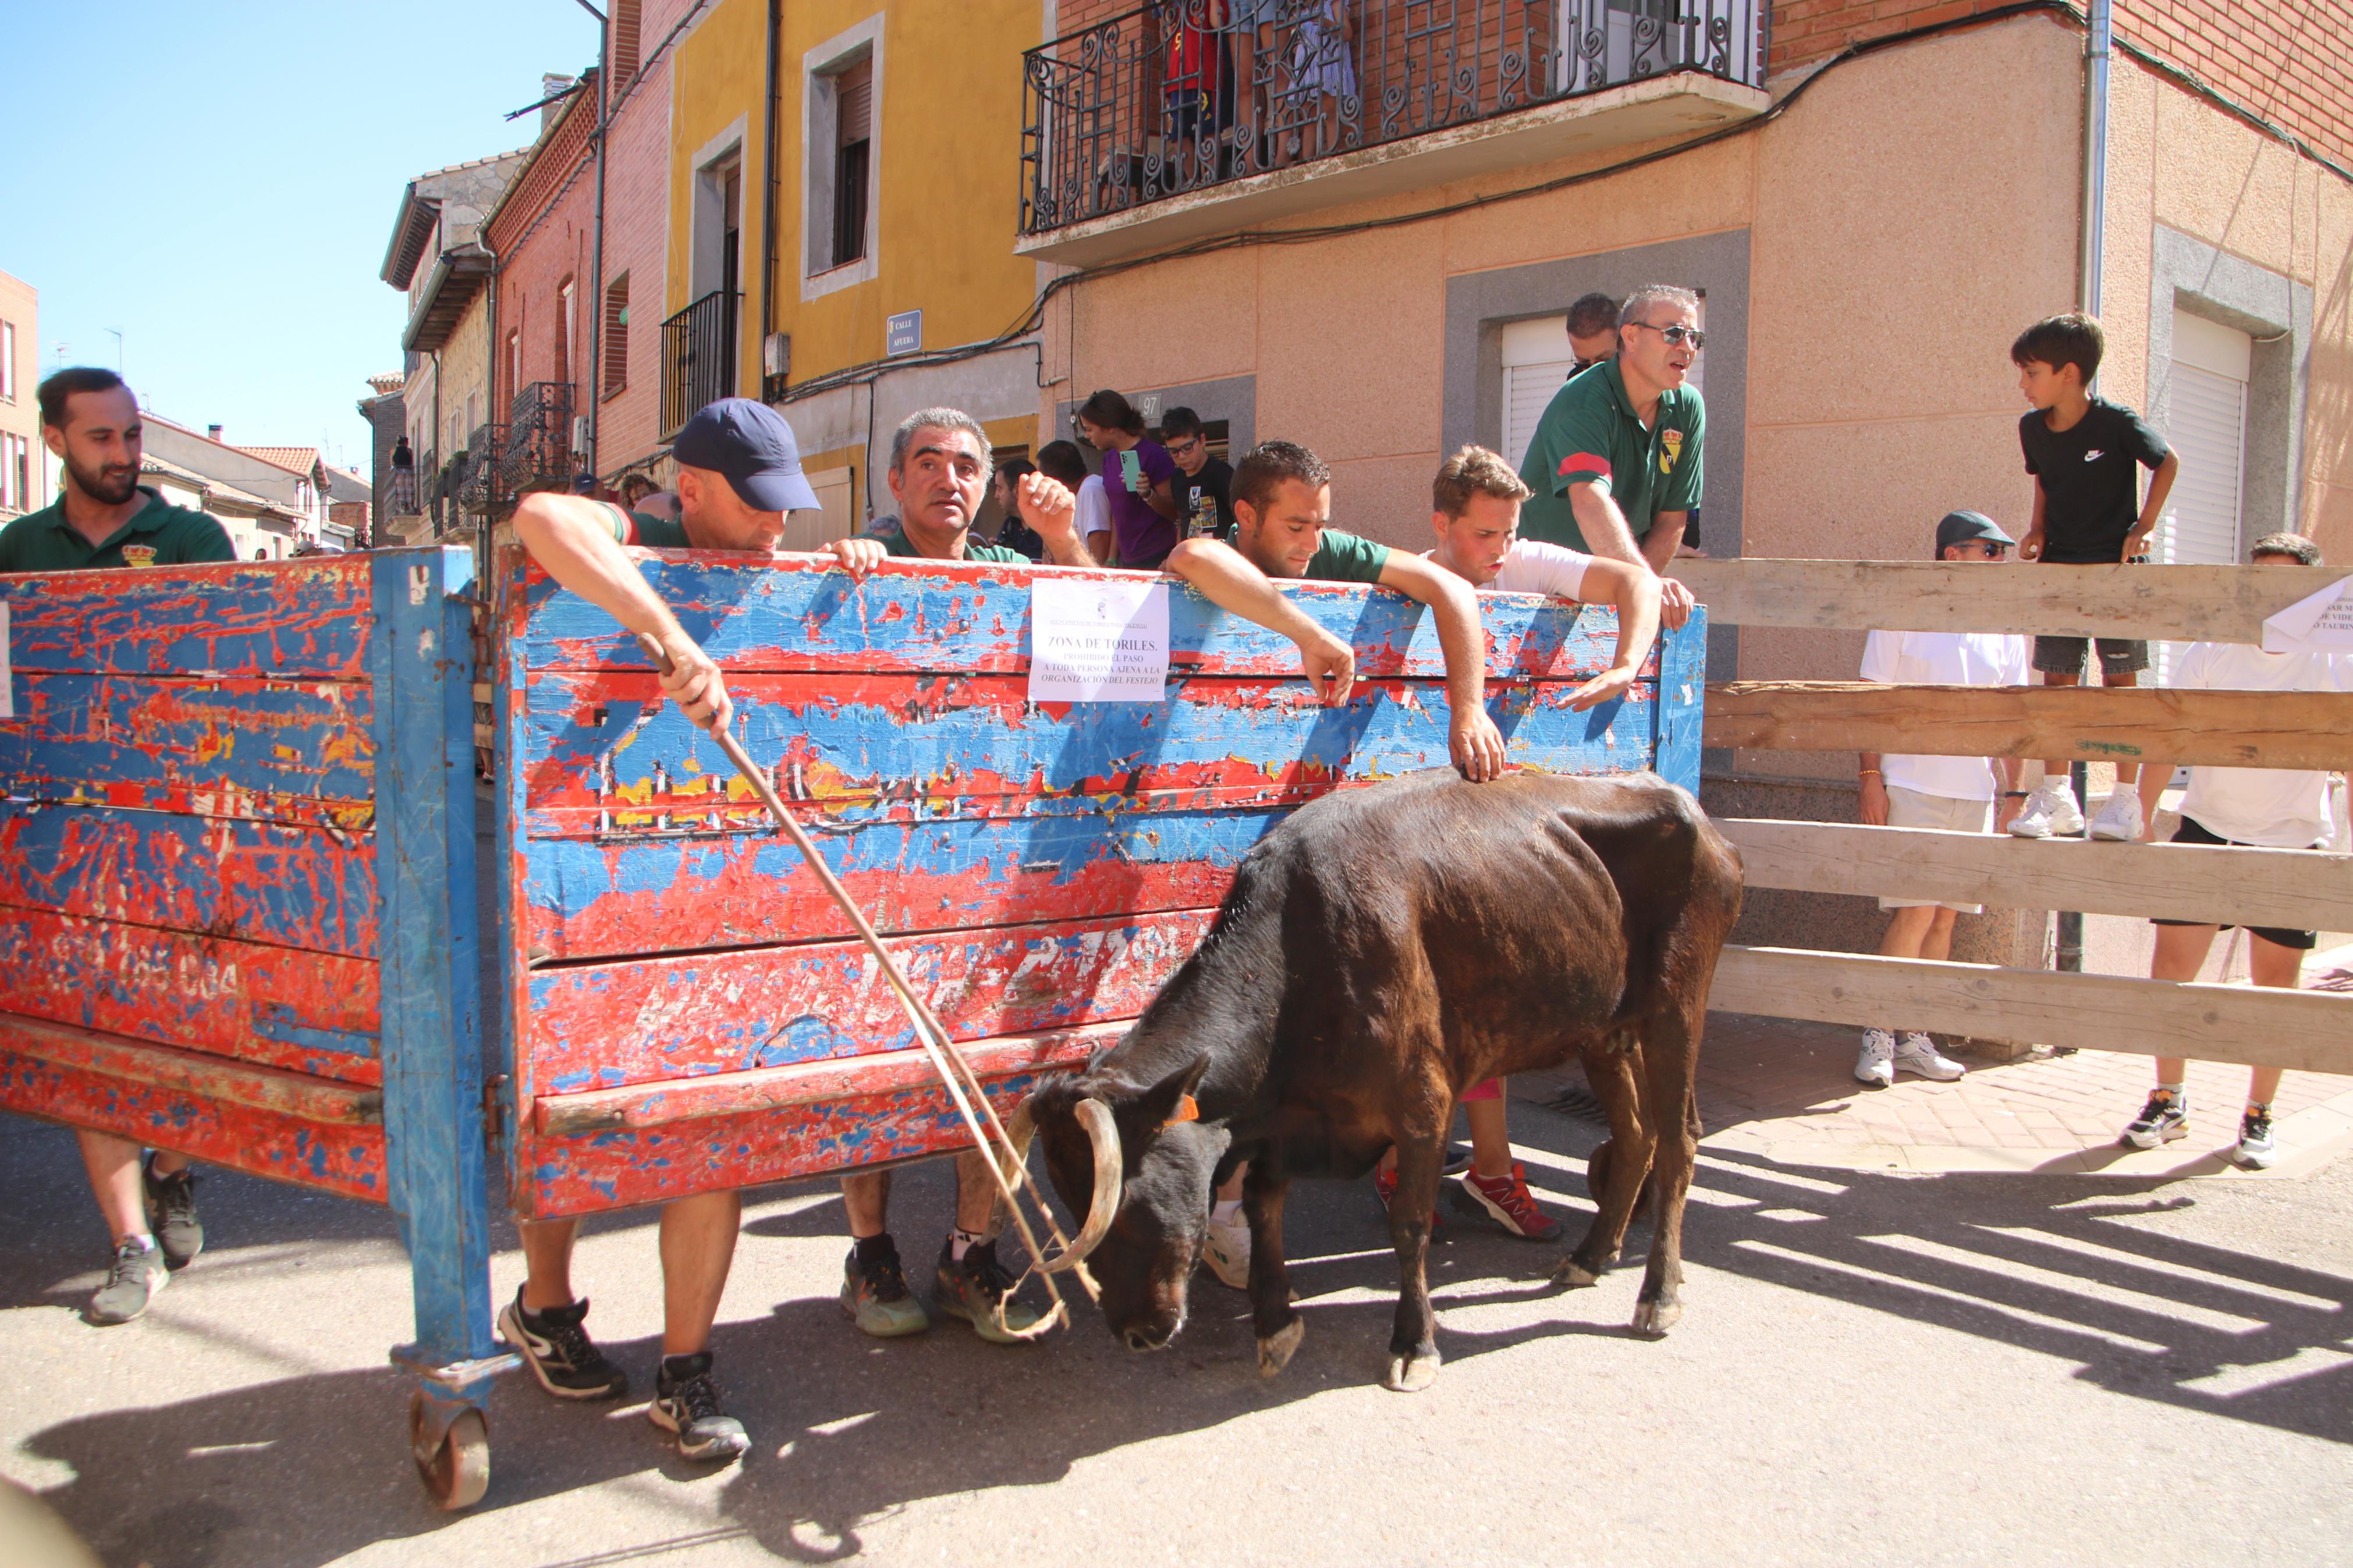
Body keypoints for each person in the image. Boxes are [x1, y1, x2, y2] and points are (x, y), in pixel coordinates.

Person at [503, 401, 1092, 1464]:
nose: (780, 529)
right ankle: (544, 1304)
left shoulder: (790, 565)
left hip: (728, 875)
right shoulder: (653, 537)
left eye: (790, 506)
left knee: (703, 1135)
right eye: (758, 506)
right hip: (590, 870)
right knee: (581, 1109)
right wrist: (667, 633)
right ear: (691, 491)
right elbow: (544, 515)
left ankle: (686, 1372)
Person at [1162, 438, 1507, 1281]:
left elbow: (1449, 588)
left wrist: (1467, 708)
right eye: (1294, 524)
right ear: (1245, 513)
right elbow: (1189, 555)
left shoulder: (1330, 545)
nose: (1313, 541)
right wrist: (1308, 629)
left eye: (1320, 522)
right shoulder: (1223, 543)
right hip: (1196, 813)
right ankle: (1215, 1205)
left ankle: (1244, 1198)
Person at [1361, 443, 1665, 1240]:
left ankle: (1472, 1164)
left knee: (1476, 994)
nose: (1500, 550)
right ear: (1442, 524)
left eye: (1508, 532)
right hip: (1425, 824)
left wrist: (1626, 664)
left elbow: (1630, 579)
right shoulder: (1409, 573)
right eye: (1484, 534)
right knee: (1441, 998)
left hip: (1506, 821)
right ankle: (1465, 1164)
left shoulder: (1524, 561)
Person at [0, 368, 226, 1325]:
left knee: (175, 1027)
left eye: (131, 436)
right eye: (101, 438)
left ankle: (172, 1167)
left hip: (174, 824)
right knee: (93, 1035)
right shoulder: (16, 550)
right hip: (59, 831)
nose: (124, 455)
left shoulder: (192, 539)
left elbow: (237, 670)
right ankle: (131, 1241)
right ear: (54, 441)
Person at [2121, 533, 2348, 1168]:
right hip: (2207, 829)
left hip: (2290, 840)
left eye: (2279, 580)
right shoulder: (2212, 649)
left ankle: (2258, 1114)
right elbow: (2169, 732)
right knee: (2170, 979)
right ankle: (2167, 1099)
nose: (2264, 592)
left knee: (2273, 991)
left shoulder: (2337, 661)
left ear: (2307, 586)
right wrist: (2140, 813)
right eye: (2256, 579)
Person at [1851, 510, 2031, 1087]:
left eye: (2001, 553)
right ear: (1952, 555)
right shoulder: (1902, 612)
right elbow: (1869, 701)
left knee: (1944, 918)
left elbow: (2013, 717)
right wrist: (1869, 776)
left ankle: (1915, 1037)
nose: (1996, 563)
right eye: (1988, 551)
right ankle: (1877, 1035)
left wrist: (2014, 791)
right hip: (1910, 783)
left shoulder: (2001, 628)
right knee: (1914, 911)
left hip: (1974, 791)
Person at [2004, 311, 2181, 844]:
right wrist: (2036, 529)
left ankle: (2124, 802)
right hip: (2060, 566)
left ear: (2068, 372)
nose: (2022, 384)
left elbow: (2167, 461)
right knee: (2056, 682)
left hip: (2116, 570)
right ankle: (2056, 794)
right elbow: (2041, 480)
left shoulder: (2115, 422)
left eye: (2030, 372)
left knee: (2119, 685)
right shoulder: (2031, 428)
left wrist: (2144, 527)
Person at [1513, 283, 1703, 632]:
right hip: (1535, 594)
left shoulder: (1689, 406)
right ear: (1629, 336)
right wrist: (1644, 585)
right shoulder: (1582, 399)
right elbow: (1589, 501)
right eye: (1674, 333)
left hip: (1608, 589)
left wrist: (1639, 585)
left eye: (1695, 337)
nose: (1687, 347)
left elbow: (1673, 517)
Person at [1073, 389, 1180, 570]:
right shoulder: (1109, 459)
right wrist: (1112, 558)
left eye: (1090, 429)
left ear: (1110, 427)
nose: (1087, 436)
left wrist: (1149, 495)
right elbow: (1118, 510)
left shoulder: (1153, 455)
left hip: (1158, 557)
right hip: (1128, 560)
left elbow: (1174, 512)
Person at [1160, 406, 1233, 541]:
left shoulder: (1221, 472)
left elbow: (1241, 517)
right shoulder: (1176, 479)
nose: (1181, 456)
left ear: (1202, 440)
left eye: (1187, 448)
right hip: (1189, 556)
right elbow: (1183, 521)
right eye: (1174, 451)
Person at [991, 456, 1046, 560]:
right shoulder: (1010, 526)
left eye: (999, 488)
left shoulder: (1048, 527)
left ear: (1017, 490)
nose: (996, 496)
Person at [1564, 291, 1619, 375]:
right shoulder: (1575, 383)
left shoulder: (1644, 378)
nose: (1593, 374)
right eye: (1584, 363)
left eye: (1602, 362)